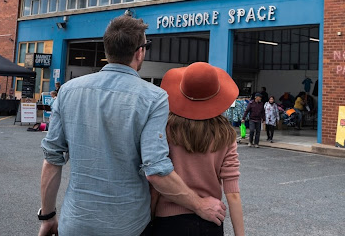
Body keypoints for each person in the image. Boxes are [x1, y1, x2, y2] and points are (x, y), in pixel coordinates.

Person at [39, 14, 226, 236]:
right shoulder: (153, 97)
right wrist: (199, 205)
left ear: (107, 50)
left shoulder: (68, 91)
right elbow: (156, 171)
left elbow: (52, 161)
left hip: (76, 222)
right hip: (129, 225)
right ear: (140, 52)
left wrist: (48, 216)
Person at [153, 62, 244, 236]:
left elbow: (156, 181)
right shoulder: (226, 135)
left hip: (167, 222)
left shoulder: (164, 129)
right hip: (210, 221)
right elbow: (232, 194)